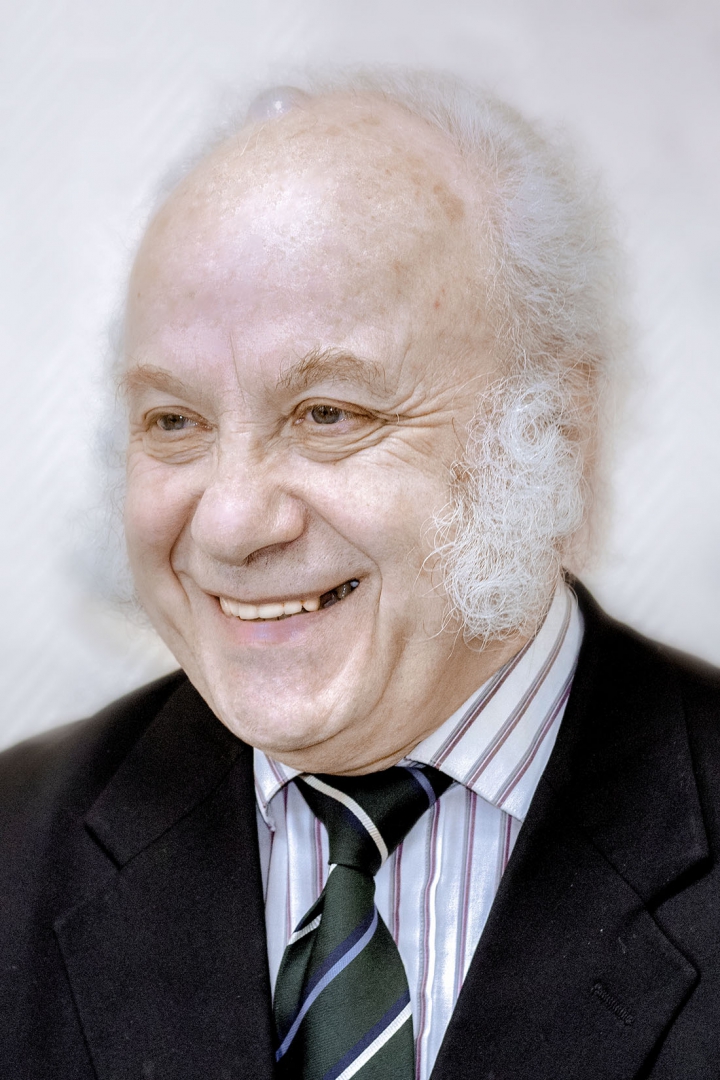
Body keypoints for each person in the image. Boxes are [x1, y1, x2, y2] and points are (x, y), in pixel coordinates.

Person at [1, 69, 719, 1080]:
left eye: (328, 413)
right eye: (175, 421)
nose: (231, 523)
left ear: (554, 430)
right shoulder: (14, 845)